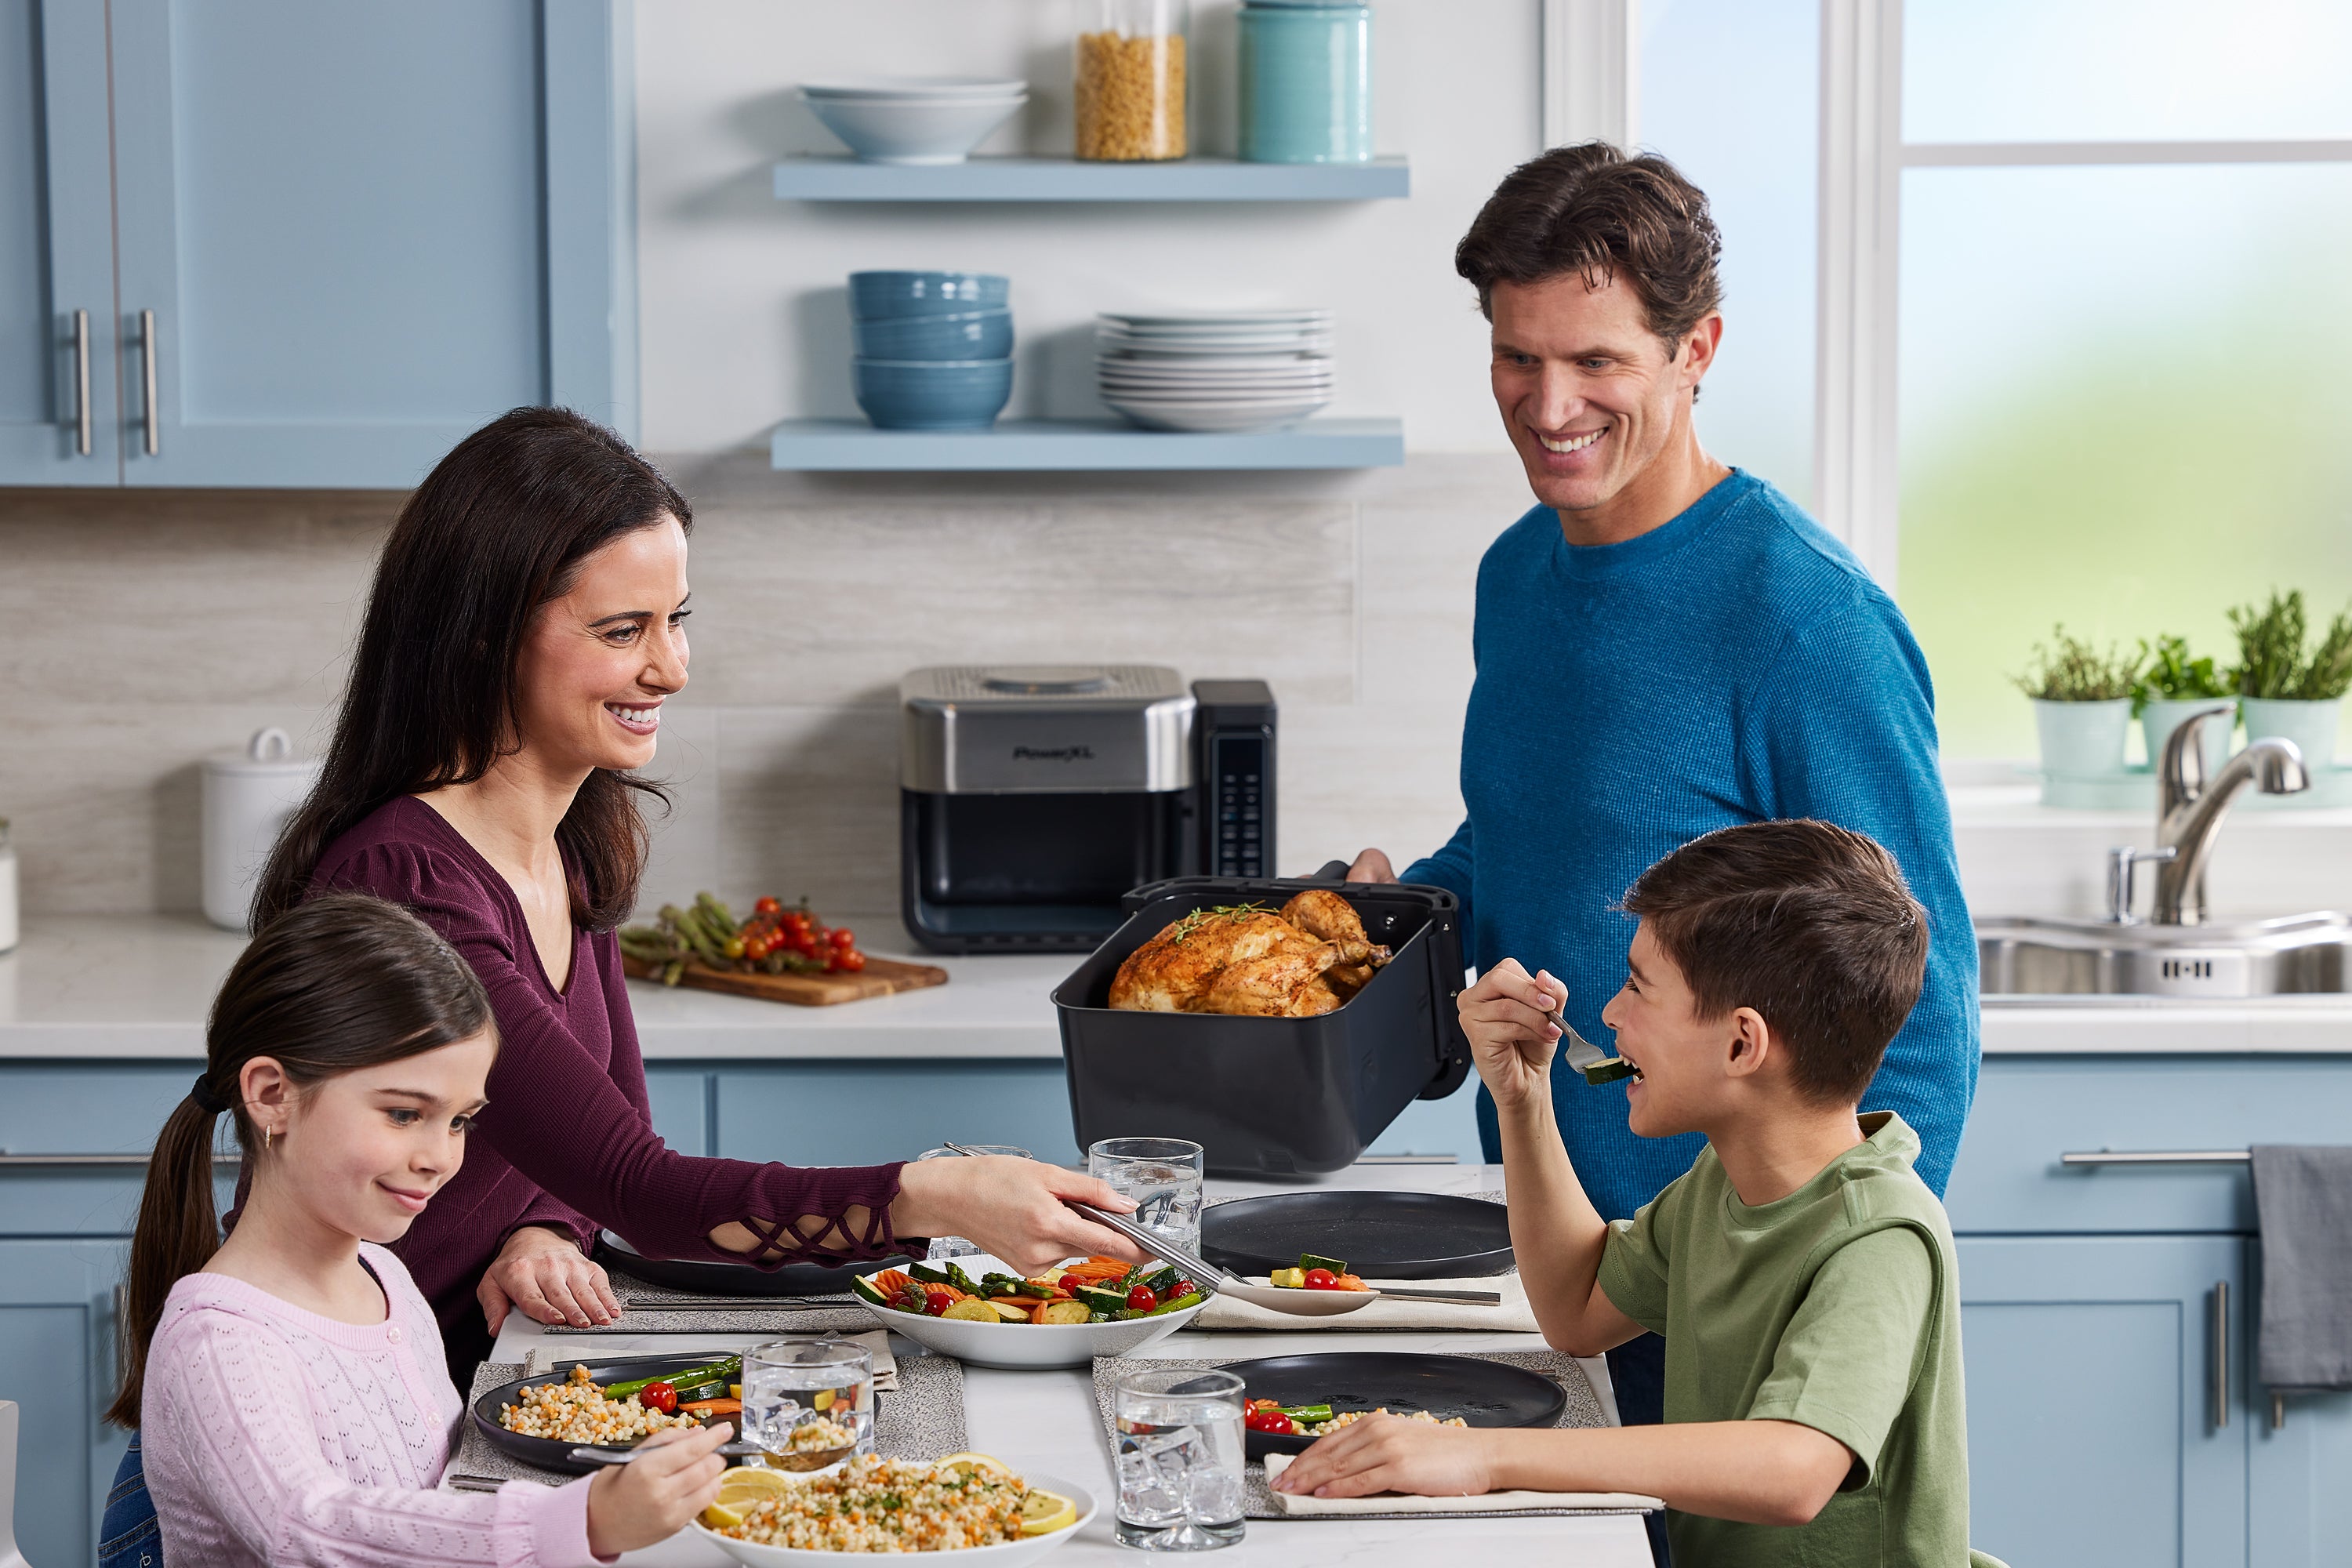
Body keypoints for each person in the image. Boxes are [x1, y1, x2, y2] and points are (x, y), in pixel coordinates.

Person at [1340, 142, 1978, 1544]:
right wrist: (1392, 911)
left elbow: (1914, 1004)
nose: (1547, 406)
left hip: (1743, 1294)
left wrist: (1821, 1286)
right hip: (1590, 1260)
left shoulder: (1805, 625)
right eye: (1515, 358)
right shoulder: (1522, 573)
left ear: (1699, 350)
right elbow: (1533, 843)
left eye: (1597, 363)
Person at [250, 407, 1140, 1380]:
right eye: (623, 629)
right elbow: (643, 1188)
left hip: (475, 1372)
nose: (670, 667)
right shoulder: (408, 888)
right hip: (340, 1414)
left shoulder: (565, 846)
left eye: (676, 620)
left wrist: (540, 1225)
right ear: (481, 640)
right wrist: (933, 1195)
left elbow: (597, 1156)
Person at [1277, 822, 2002, 1568]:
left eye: (1637, 987)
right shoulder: (1722, 1184)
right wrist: (1522, 1100)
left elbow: (1794, 1469)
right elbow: (1578, 1310)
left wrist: (1486, 1457)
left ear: (1740, 1044)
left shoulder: (1877, 1234)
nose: (1612, 1014)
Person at [111, 893, 731, 1566]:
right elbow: (305, 1527)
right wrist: (577, 1525)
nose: (440, 1157)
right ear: (271, 1095)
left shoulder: (384, 1278)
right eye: (405, 1114)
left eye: (461, 1120)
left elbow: (442, 1490)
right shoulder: (220, 1336)